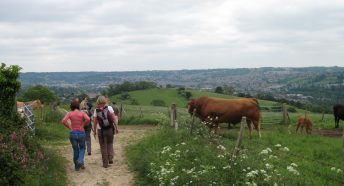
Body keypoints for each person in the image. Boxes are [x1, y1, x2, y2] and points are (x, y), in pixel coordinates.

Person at [61, 99, 90, 171]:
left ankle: (77, 167)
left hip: (73, 133)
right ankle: (80, 160)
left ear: (71, 106)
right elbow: (88, 119)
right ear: (78, 106)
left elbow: (63, 121)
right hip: (81, 133)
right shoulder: (82, 113)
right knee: (82, 148)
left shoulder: (69, 113)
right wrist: (83, 125)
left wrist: (69, 127)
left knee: (75, 149)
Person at [93, 96, 119, 168]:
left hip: (100, 130)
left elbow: (95, 122)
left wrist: (94, 131)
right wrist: (116, 127)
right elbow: (113, 119)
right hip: (109, 129)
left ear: (98, 101)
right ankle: (110, 158)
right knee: (110, 143)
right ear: (105, 101)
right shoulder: (109, 108)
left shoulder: (96, 110)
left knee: (103, 146)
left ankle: (105, 163)